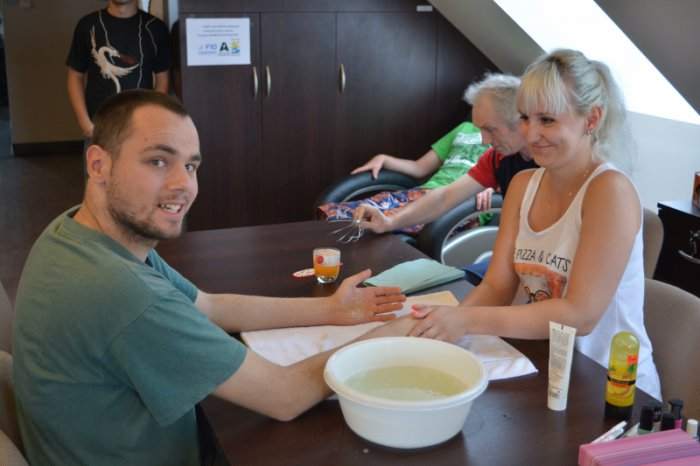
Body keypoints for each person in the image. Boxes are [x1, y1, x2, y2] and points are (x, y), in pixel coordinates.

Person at [12, 90, 410, 465]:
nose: (183, 184)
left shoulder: (77, 233)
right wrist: (395, 336)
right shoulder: (123, 293)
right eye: (157, 161)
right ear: (98, 164)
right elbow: (285, 396)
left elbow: (207, 306)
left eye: (190, 166)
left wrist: (331, 309)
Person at [406, 49, 661, 400]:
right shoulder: (523, 184)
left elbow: (580, 315)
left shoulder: (609, 191)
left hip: (609, 386)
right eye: (526, 118)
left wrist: (465, 321)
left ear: (592, 119)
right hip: (545, 366)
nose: (533, 133)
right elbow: (497, 285)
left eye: (548, 120)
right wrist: (445, 325)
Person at [353, 73, 537, 235]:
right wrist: (389, 222)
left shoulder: (548, 162)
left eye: (490, 129)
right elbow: (444, 197)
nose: (484, 141)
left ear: (520, 121)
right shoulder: (496, 158)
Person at [318, 114, 489, 234]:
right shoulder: (464, 128)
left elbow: (503, 179)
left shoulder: (502, 141)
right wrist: (384, 159)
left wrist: (488, 186)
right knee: (339, 215)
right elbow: (419, 167)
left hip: (461, 206)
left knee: (370, 227)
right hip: (424, 194)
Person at [66, 0, 171, 139]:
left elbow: (162, 79)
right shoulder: (88, 25)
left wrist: (152, 119)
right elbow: (75, 76)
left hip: (141, 128)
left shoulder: (155, 28)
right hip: (98, 128)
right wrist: (86, 124)